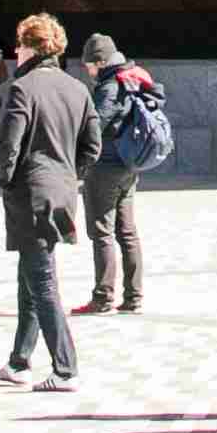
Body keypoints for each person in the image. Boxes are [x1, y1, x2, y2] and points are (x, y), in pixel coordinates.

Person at [0, 11, 95, 391]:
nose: (14, 52)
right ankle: (19, 361)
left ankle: (66, 368)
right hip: (61, 193)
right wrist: (71, 175)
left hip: (30, 195)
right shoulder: (77, 89)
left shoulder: (23, 88)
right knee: (30, 274)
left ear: (31, 47)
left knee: (43, 280)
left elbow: (9, 145)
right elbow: (92, 146)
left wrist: (3, 176)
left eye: (18, 45)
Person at [79, 33, 165, 314]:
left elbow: (96, 126)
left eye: (89, 65)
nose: (88, 71)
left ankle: (103, 298)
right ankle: (134, 297)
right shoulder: (131, 76)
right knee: (127, 232)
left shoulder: (109, 86)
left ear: (100, 61)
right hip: (129, 165)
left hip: (106, 167)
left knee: (102, 232)